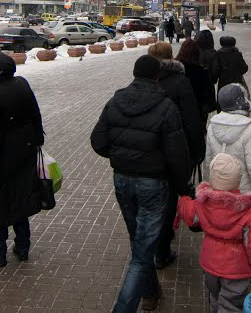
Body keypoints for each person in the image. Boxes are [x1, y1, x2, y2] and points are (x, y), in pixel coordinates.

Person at [91, 55, 190, 312]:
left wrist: (122, 156)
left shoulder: (115, 101)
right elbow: (177, 154)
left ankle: (151, 293)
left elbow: (98, 141)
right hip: (154, 185)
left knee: (139, 242)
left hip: (122, 180)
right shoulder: (166, 106)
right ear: (157, 77)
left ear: (134, 73)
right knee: (142, 252)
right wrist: (182, 186)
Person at [176, 153, 251, 312]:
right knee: (230, 306)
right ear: (238, 181)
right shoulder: (249, 215)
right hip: (237, 272)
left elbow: (188, 214)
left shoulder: (201, 205)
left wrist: (184, 198)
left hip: (210, 265)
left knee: (215, 297)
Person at [0, 47, 45, 267]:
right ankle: (23, 247)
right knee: (20, 198)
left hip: (3, 159)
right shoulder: (21, 84)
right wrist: (36, 142)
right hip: (25, 152)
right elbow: (36, 115)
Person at [147, 41, 206, 270]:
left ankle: (154, 243)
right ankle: (162, 248)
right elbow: (191, 121)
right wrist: (198, 150)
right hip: (175, 151)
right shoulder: (181, 82)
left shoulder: (145, 81)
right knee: (169, 198)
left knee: (153, 202)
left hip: (150, 152)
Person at [206, 84, 251, 215]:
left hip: (219, 192)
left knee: (222, 230)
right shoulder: (249, 131)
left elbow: (209, 160)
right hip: (244, 194)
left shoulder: (212, 128)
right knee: (243, 230)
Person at [178, 38, 216, 120]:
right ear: (197, 52)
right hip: (198, 111)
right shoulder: (202, 72)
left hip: (179, 111)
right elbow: (209, 93)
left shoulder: (175, 69)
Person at [196, 30, 221, 96]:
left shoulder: (194, 51)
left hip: (195, 83)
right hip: (209, 84)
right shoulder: (212, 53)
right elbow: (215, 70)